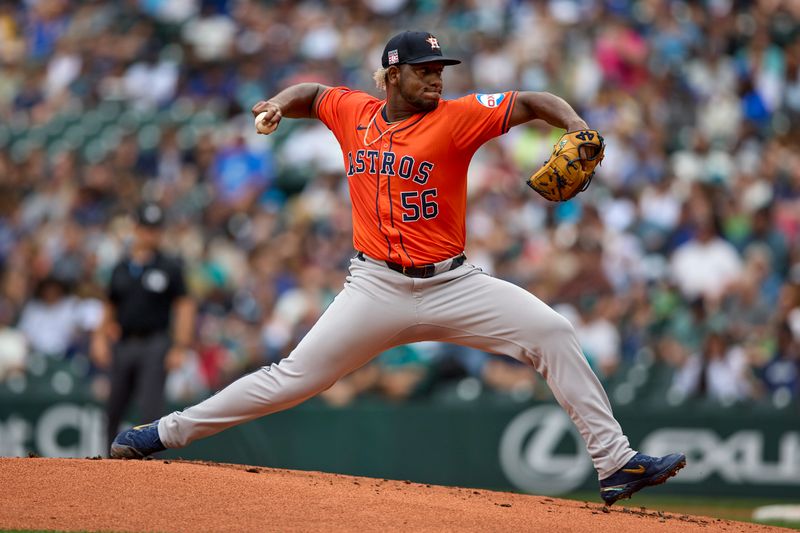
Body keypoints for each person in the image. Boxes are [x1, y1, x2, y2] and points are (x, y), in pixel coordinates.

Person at [110, 31, 685, 505]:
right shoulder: (352, 110)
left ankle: (616, 465)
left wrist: (577, 126)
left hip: (455, 283)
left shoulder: (457, 118)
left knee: (553, 333)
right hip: (376, 286)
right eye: (423, 68)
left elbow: (533, 102)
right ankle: (162, 433)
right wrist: (278, 104)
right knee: (294, 378)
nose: (436, 77)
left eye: (440, 68)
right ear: (390, 75)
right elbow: (312, 92)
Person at [92, 201, 196, 450]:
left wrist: (180, 346)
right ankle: (106, 463)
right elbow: (110, 305)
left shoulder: (169, 266)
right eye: (147, 228)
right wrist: (99, 338)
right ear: (136, 229)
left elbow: (185, 307)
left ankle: (151, 472)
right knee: (114, 407)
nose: (151, 234)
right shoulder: (121, 267)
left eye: (156, 229)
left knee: (150, 409)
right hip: (124, 342)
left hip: (155, 342)